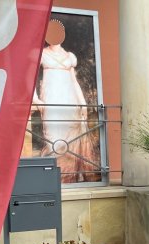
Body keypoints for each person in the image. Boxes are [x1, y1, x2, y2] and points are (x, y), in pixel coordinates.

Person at [36, 19, 99, 183]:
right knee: (52, 137)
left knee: (71, 138)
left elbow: (74, 81)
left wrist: (83, 103)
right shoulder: (41, 54)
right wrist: (36, 99)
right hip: (51, 99)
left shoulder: (69, 57)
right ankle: (52, 177)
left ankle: (69, 176)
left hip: (70, 99)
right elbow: (30, 78)